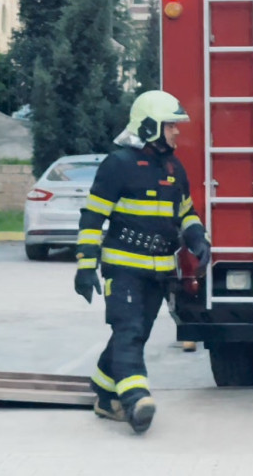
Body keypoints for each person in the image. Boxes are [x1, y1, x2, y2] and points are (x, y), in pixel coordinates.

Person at [74, 90, 211, 433]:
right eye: (171, 125)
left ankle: (104, 393)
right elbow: (93, 217)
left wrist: (197, 238)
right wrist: (85, 266)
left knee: (136, 333)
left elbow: (186, 212)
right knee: (130, 331)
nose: (177, 131)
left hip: (160, 271)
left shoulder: (173, 167)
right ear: (150, 126)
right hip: (124, 269)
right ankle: (136, 399)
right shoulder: (117, 164)